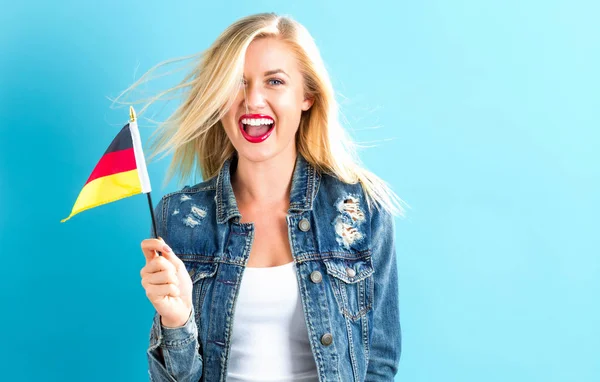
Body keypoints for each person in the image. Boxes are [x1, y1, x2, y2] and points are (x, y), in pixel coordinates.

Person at [134, 12, 405, 382]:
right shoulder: (181, 216)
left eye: (274, 81)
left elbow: (380, 364)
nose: (253, 100)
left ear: (307, 96)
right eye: (236, 83)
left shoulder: (359, 210)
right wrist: (176, 319)